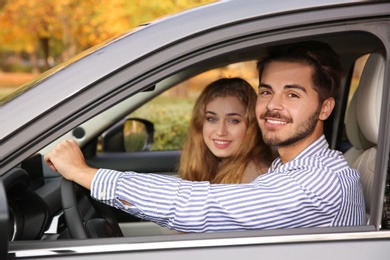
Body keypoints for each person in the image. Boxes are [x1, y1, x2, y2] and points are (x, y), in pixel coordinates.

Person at [44, 41, 366, 233]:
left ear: (324, 108)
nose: (272, 106)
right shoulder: (291, 170)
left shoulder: (320, 183)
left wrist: (85, 174)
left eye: (292, 95)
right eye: (266, 91)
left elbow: (202, 206)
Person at [179, 77, 273, 184]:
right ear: (200, 123)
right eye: (212, 119)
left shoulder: (254, 179)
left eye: (233, 121)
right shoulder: (213, 166)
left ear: (252, 125)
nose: (220, 131)